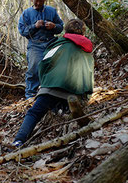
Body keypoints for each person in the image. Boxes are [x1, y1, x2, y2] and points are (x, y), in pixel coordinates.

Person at [12, 18, 94, 148]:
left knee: (34, 113)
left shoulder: (57, 44)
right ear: (83, 33)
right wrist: (86, 96)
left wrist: (43, 83)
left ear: (66, 31)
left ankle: (18, 140)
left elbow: (43, 64)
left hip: (51, 88)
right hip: (74, 93)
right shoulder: (87, 50)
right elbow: (89, 74)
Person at [18, 0, 64, 98]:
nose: (38, 3)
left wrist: (54, 26)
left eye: (41, 0)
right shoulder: (26, 13)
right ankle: (30, 95)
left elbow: (60, 27)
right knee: (34, 67)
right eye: (36, 0)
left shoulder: (51, 11)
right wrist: (35, 26)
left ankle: (56, 91)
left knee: (57, 65)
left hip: (51, 42)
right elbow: (22, 31)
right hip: (35, 45)